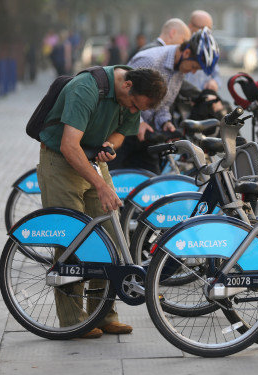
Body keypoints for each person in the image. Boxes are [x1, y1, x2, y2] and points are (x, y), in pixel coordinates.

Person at [37, 65, 167, 339]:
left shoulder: (135, 96)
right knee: (70, 242)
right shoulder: (86, 89)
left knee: (108, 240)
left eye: (139, 109)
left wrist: (110, 144)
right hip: (61, 162)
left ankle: (103, 314)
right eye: (133, 105)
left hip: (93, 160)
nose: (134, 111)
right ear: (127, 85)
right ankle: (74, 321)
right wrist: (101, 185)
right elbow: (69, 146)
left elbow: (122, 131)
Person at [109, 28, 219, 173]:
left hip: (146, 136)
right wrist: (139, 122)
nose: (192, 72)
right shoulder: (150, 61)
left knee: (153, 185)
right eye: (194, 67)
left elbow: (163, 105)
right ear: (186, 53)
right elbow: (125, 95)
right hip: (122, 130)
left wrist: (165, 122)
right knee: (113, 182)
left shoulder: (179, 70)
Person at [185, 10, 221, 91]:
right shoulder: (183, 49)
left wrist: (214, 82)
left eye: (209, 29)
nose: (206, 33)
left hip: (203, 98)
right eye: (202, 28)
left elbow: (216, 74)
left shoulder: (209, 50)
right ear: (190, 26)